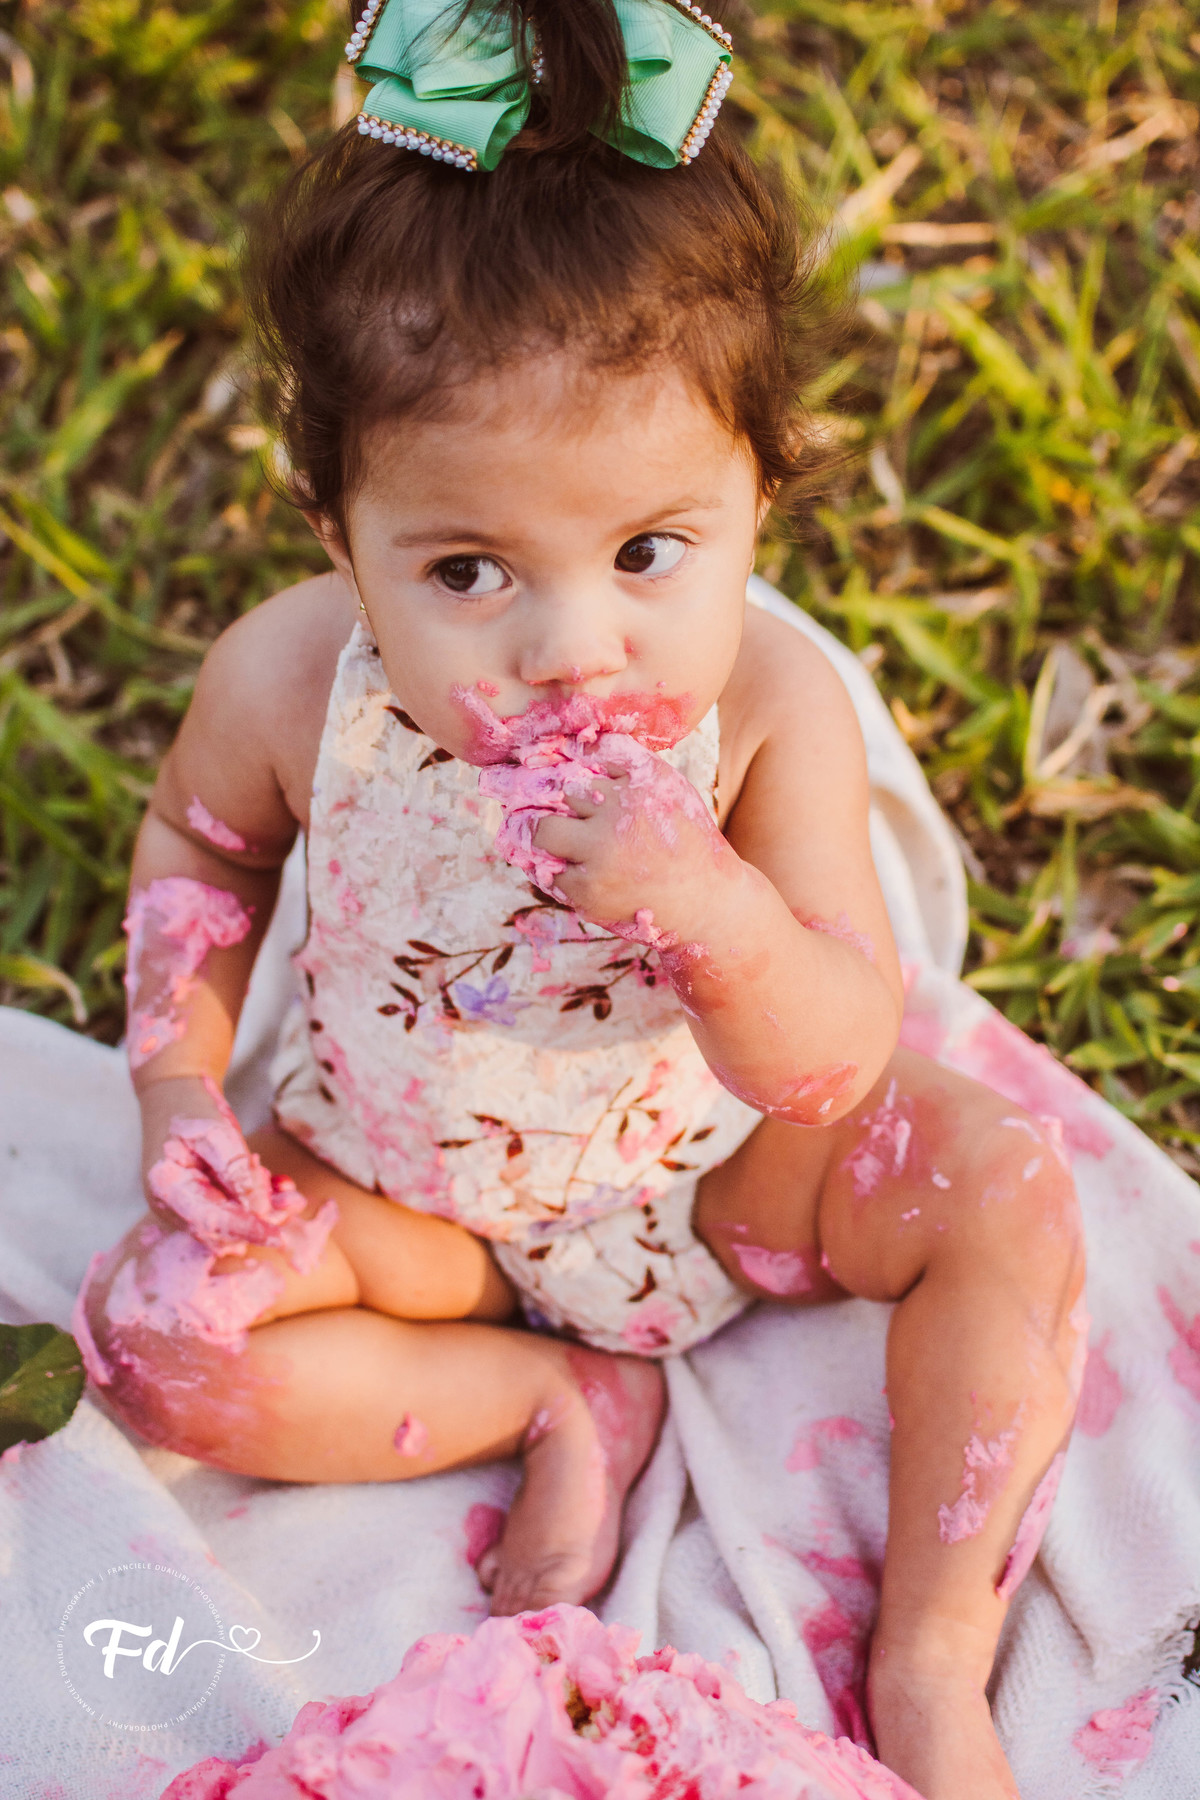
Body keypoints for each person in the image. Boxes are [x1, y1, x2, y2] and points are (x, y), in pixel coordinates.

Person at [74, 3, 1084, 1794]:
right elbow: (203, 858)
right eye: (467, 569)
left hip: (714, 1182)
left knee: (1003, 1190)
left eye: (647, 553)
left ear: (760, 493)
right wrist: (173, 1084)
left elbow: (835, 1063)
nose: (570, 647)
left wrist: (715, 914)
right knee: (161, 1334)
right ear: (335, 527)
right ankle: (560, 1401)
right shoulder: (288, 679)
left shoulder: (771, 713)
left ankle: (931, 1656)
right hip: (407, 1193)